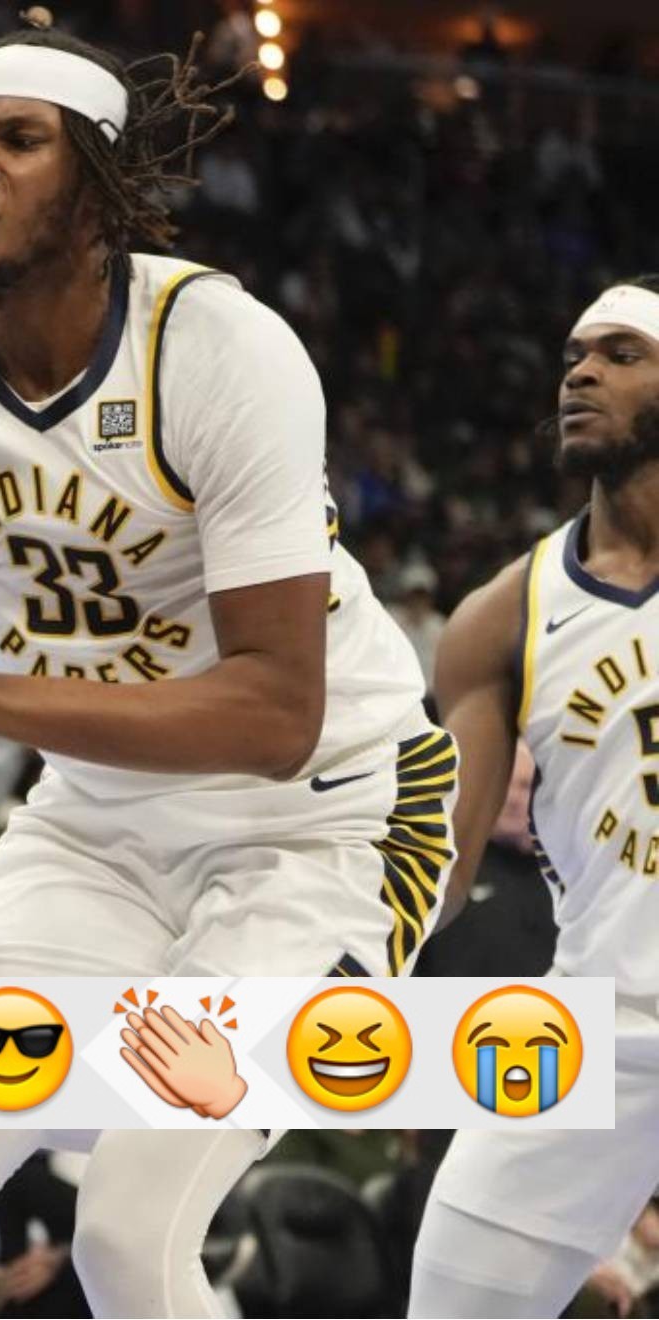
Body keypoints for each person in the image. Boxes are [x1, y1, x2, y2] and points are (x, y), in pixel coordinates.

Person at [0, 19, 449, 1319]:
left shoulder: (220, 350)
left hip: (318, 820)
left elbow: (277, 714)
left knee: (127, 1229)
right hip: (97, 824)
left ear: (99, 190)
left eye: (18, 141)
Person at [407, 276, 659, 1316]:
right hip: (595, 1026)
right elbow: (437, 874)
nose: (582, 374)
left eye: (621, 354)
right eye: (573, 357)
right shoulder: (502, 615)